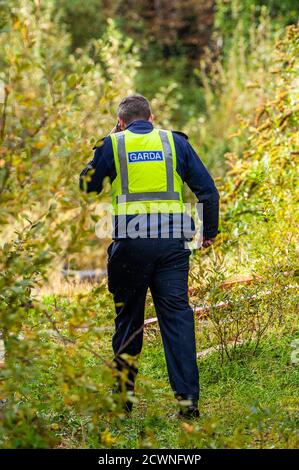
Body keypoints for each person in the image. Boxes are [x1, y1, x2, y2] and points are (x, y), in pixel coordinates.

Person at [79, 95, 219, 418]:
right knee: (177, 320)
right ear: (152, 118)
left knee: (128, 321)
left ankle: (122, 403)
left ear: (122, 122)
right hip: (172, 247)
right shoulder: (174, 143)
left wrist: (108, 139)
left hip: (131, 246)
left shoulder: (114, 145)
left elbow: (87, 185)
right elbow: (208, 191)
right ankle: (188, 406)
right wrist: (208, 232)